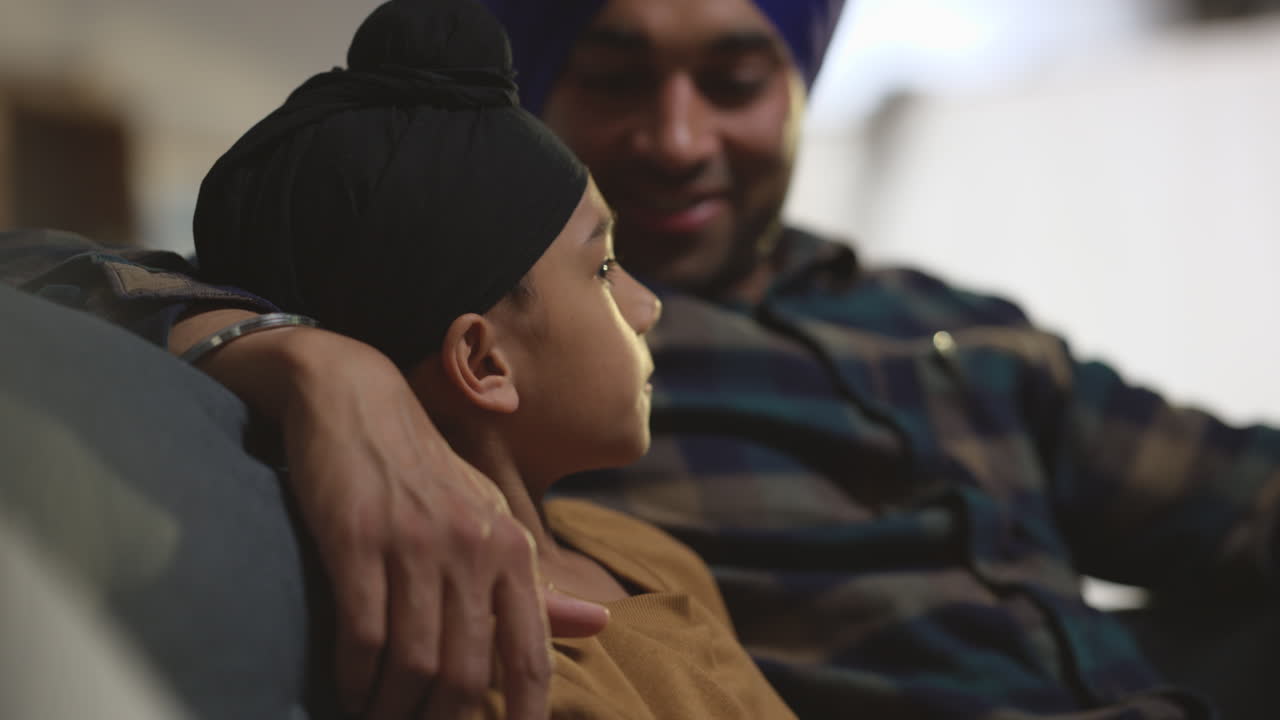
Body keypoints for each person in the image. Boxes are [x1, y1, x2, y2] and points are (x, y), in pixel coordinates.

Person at [4, 0, 1280, 718]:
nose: (674, 139)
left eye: (732, 78)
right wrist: (293, 355)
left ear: (795, 91)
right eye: (613, 79)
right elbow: (39, 271)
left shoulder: (964, 328)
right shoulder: (531, 355)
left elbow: (1241, 497)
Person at [182, 1, 797, 718]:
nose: (648, 304)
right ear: (482, 361)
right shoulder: (491, 660)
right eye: (603, 269)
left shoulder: (643, 553)